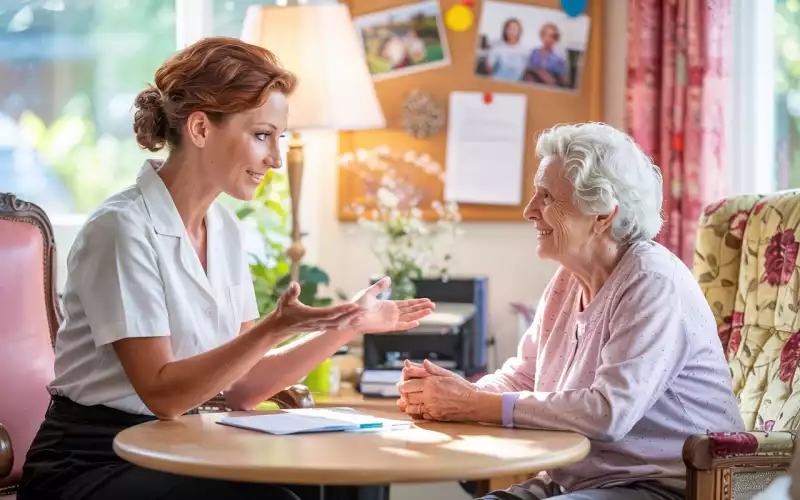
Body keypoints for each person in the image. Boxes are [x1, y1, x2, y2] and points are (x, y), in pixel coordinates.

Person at [18, 37, 434, 500]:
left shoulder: (226, 229)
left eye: (280, 138)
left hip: (180, 447)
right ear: (200, 128)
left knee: (347, 481)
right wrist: (274, 327)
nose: (276, 159)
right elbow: (163, 395)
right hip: (90, 462)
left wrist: (346, 325)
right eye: (262, 135)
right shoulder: (121, 229)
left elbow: (241, 387)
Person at [397, 123, 744, 500]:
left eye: (547, 197)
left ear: (602, 215)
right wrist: (452, 397)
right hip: (581, 481)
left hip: (668, 487)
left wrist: (472, 404)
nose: (529, 211)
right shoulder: (568, 279)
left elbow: (608, 412)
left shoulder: (652, 281)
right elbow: (524, 375)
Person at [524, 22, 570, 87]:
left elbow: (563, 82)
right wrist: (539, 72)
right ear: (541, 36)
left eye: (553, 37)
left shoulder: (558, 60)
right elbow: (527, 72)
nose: (550, 39)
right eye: (548, 35)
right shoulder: (534, 53)